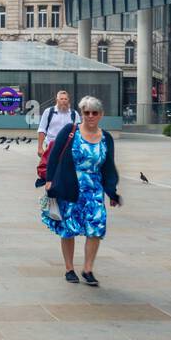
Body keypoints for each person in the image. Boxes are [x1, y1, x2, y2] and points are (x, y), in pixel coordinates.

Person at [38, 95, 121, 286]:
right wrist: (49, 180)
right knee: (69, 229)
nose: (90, 116)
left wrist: (112, 191)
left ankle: (88, 269)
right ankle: (69, 268)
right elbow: (54, 156)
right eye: (86, 112)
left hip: (94, 190)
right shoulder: (71, 131)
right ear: (82, 113)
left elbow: (108, 166)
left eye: (94, 113)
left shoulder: (106, 138)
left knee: (96, 228)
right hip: (70, 186)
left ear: (101, 115)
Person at [37, 90, 79, 158]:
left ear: (68, 100)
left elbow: (78, 132)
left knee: (66, 168)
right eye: (61, 99)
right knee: (50, 168)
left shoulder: (74, 114)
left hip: (68, 148)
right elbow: (42, 130)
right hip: (51, 147)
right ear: (57, 100)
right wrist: (40, 147)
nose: (64, 101)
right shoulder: (48, 112)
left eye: (65, 99)